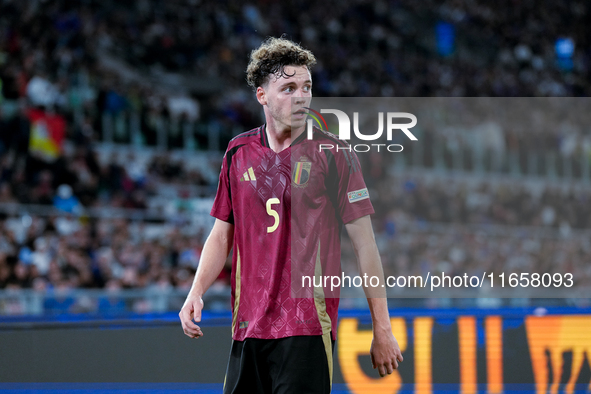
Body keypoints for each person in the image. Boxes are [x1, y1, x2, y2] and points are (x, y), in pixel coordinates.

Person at [179, 37, 403, 394]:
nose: (302, 96)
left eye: (307, 87)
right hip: (248, 327)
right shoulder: (237, 152)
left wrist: (383, 327)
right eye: (288, 88)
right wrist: (196, 291)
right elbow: (222, 234)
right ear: (262, 95)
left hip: (307, 329)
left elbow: (366, 246)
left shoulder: (333, 153)